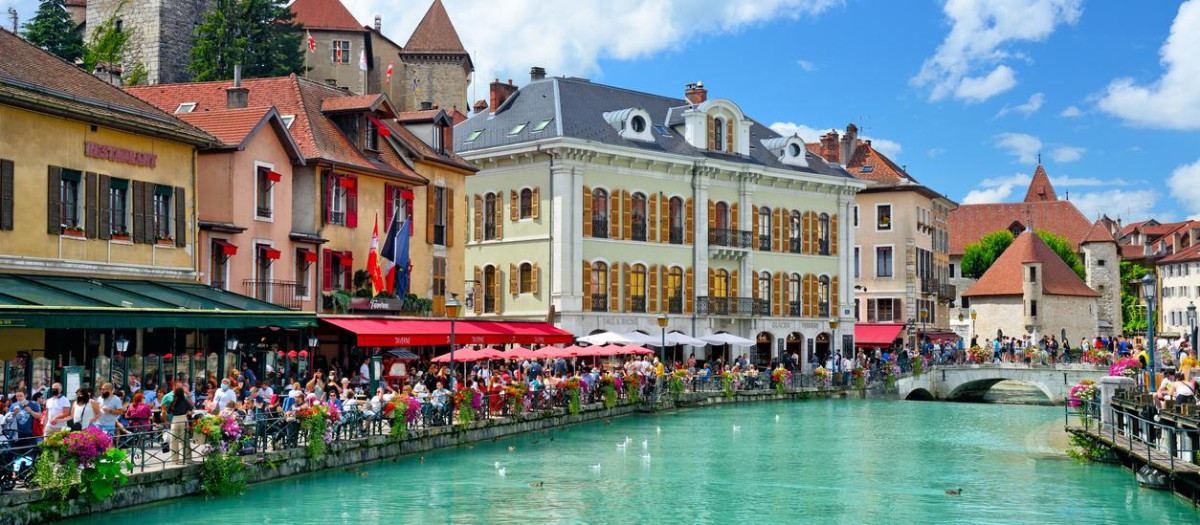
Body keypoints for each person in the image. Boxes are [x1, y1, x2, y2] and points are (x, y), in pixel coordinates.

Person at [167, 386, 194, 463]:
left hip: (175, 420)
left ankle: (175, 460)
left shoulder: (173, 402)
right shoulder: (185, 401)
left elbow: (168, 412)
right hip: (183, 420)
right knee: (185, 440)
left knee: (174, 441)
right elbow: (191, 408)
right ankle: (188, 459)